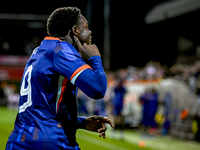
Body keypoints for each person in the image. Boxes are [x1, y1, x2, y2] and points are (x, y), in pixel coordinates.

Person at [6, 7, 113, 150]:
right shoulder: (61, 49)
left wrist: (81, 123)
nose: (90, 32)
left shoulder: (39, 51)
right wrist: (95, 59)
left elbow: (40, 110)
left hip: (19, 140)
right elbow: (98, 89)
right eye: (86, 28)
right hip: (51, 141)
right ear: (75, 31)